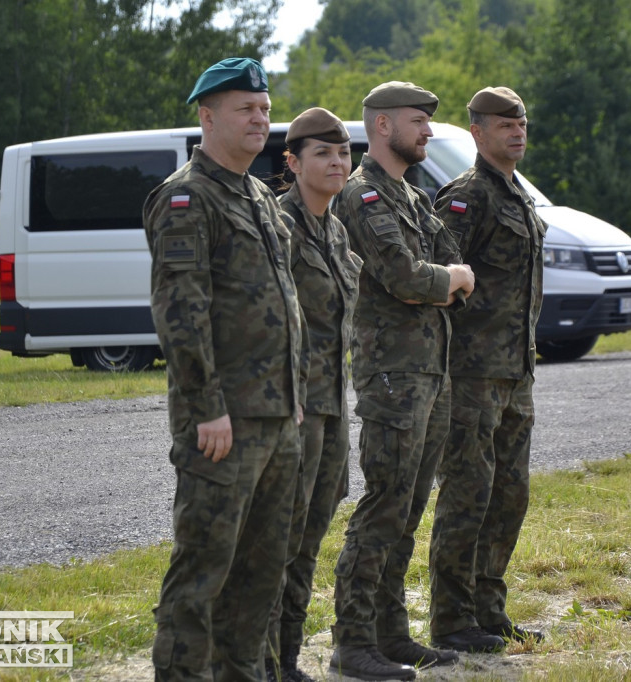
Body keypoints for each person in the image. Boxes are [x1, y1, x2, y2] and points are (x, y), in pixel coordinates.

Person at [143, 57, 306, 682]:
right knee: (203, 574)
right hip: (223, 422)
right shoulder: (186, 198)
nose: (260, 119)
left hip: (275, 417)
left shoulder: (261, 195)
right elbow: (181, 313)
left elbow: (280, 304)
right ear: (208, 117)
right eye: (246, 108)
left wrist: (293, 395)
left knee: (262, 575)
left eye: (264, 108)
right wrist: (207, 406)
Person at [328, 81, 475, 682]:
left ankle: (390, 634)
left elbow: (450, 264)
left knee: (409, 507)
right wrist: (450, 279)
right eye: (418, 122)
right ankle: (353, 640)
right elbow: (405, 275)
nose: (429, 132)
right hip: (392, 373)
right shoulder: (363, 196)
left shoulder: (412, 197)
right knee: (384, 504)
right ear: (382, 126)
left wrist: (448, 277)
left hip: (429, 370)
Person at [428, 87, 546, 654]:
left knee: (509, 495)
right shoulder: (466, 198)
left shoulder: (519, 196)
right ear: (477, 133)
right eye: (503, 123)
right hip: (471, 377)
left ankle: (488, 611)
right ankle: (451, 620)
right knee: (466, 497)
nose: (516, 130)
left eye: (520, 121)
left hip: (516, 374)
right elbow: (439, 280)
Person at [264, 108, 362, 682]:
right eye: (323, 154)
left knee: (309, 538)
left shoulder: (334, 228)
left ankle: (289, 658)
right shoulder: (278, 225)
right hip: (293, 409)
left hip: (331, 410)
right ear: (294, 163)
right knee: (279, 539)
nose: (337, 163)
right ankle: (263, 661)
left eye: (343, 153)